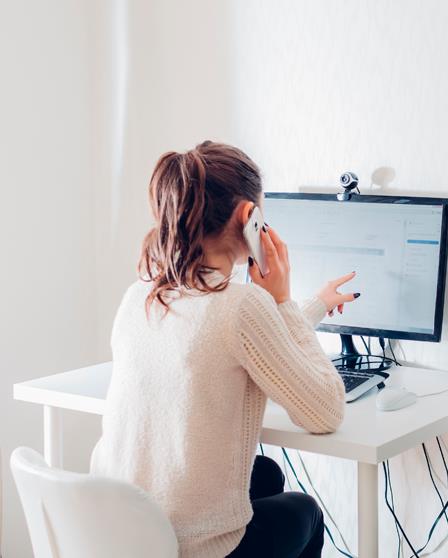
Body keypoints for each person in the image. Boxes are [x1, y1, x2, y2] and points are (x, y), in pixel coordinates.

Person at [91, 141, 357, 558]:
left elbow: (255, 345)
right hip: (192, 547)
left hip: (125, 534)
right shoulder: (241, 305)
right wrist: (282, 301)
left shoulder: (140, 295)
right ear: (249, 217)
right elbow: (326, 412)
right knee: (305, 511)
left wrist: (315, 305)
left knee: (265, 474)